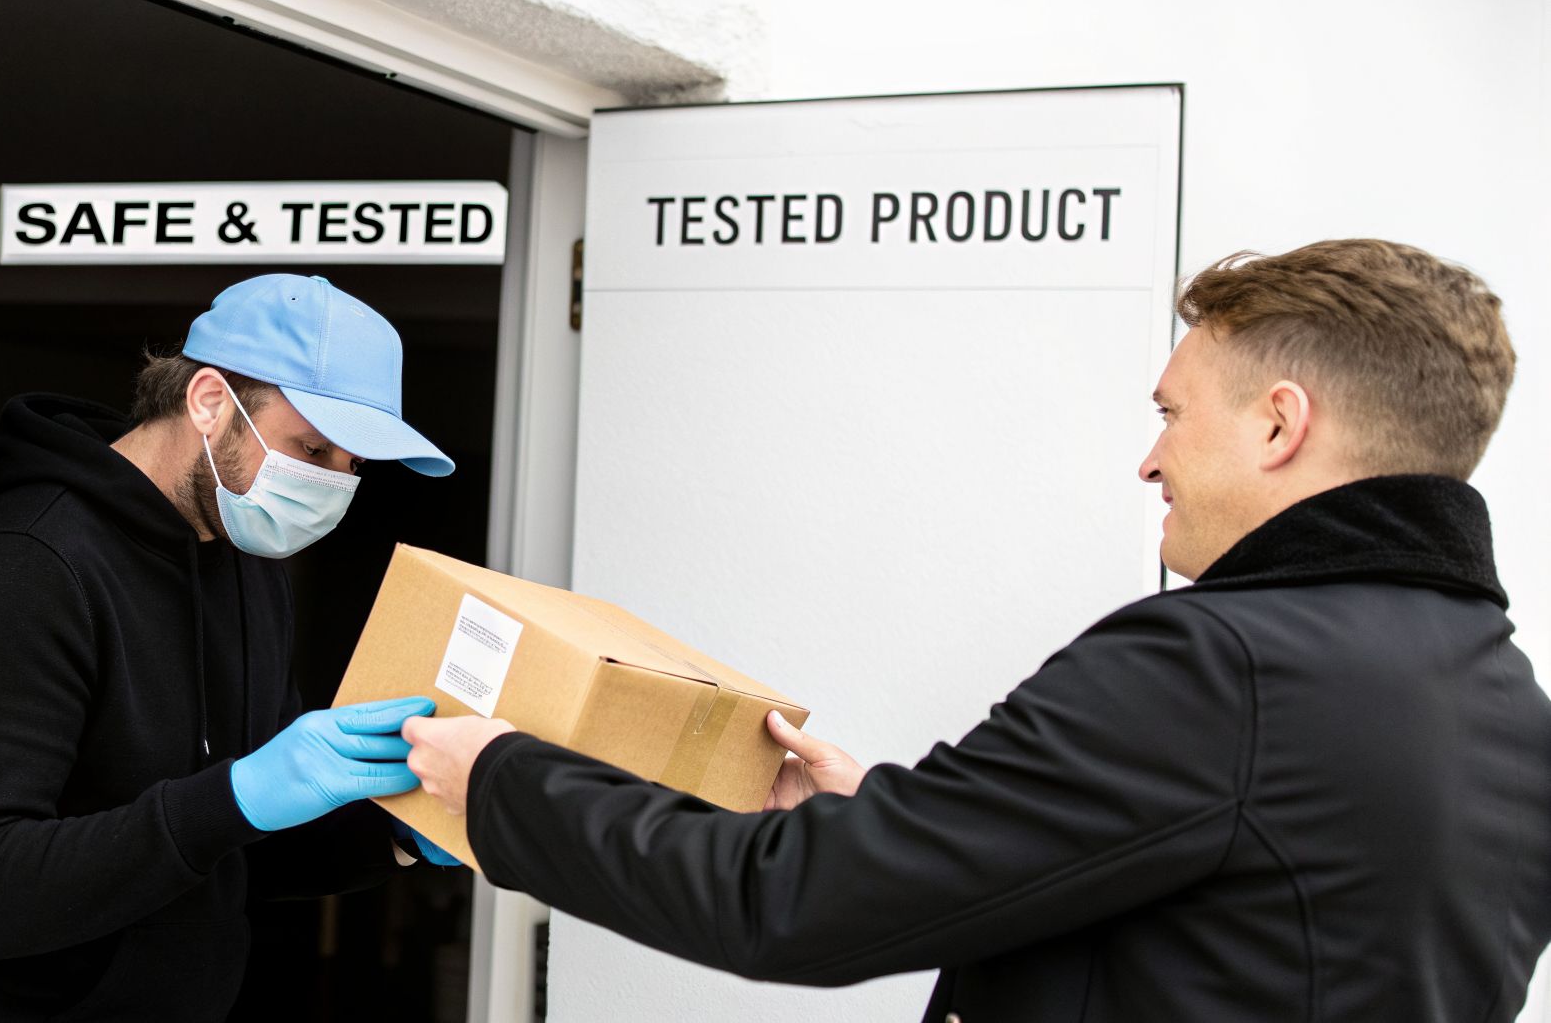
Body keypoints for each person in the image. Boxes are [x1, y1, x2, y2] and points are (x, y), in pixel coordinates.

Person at [404, 240, 1551, 1021]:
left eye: (1168, 414)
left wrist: (503, 782)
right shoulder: (1504, 706)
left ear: (1277, 424)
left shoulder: (1219, 664)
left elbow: (788, 904)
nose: (1147, 458)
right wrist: (897, 827)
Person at [0, 274, 459, 1021]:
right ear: (209, 401)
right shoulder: (32, 559)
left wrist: (399, 831)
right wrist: (233, 795)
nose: (334, 484)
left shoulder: (248, 561)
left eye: (354, 466)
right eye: (314, 447)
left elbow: (236, 848)